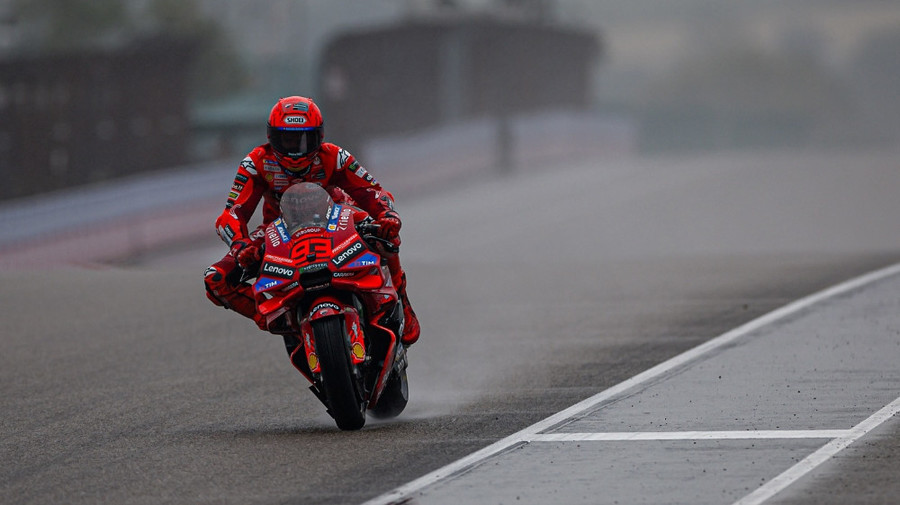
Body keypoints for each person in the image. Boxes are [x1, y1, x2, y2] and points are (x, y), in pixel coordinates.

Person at [204, 95, 420, 346]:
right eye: (288, 139)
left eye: (305, 139)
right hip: (279, 230)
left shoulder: (335, 156)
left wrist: (387, 215)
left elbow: (371, 191)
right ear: (272, 137)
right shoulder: (255, 163)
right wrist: (240, 245)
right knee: (215, 278)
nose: (297, 149)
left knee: (386, 234)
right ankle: (279, 316)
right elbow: (231, 214)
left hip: (337, 218)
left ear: (319, 136)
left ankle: (401, 300)